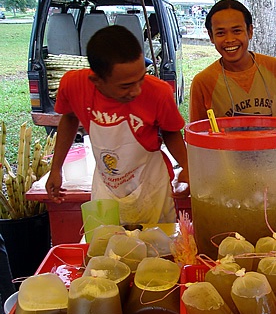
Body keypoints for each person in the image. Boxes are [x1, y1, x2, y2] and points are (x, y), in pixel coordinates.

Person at [46, 25, 189, 225]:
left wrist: (187, 167)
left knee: (158, 241)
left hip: (150, 184)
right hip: (106, 185)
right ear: (96, 80)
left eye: (141, 78)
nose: (136, 90)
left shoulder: (158, 92)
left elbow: (171, 132)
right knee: (106, 239)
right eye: (125, 86)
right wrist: (56, 169)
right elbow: (69, 118)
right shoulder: (73, 85)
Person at [189, 0, 276, 121]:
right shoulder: (203, 82)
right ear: (211, 36)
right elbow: (197, 130)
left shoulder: (273, 67)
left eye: (237, 31)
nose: (229, 39)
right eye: (220, 33)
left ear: (250, 31)